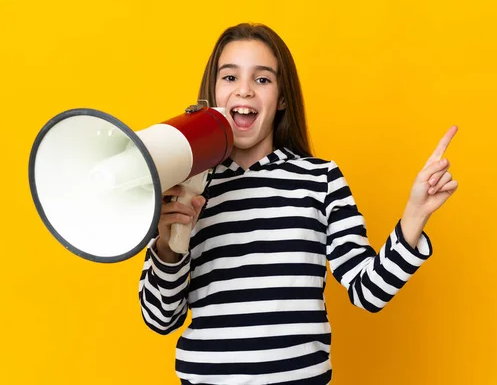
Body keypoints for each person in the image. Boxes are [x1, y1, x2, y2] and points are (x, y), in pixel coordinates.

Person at [138, 22, 458, 384]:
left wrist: (415, 215)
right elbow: (160, 318)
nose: (244, 90)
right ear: (213, 92)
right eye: (229, 77)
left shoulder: (321, 180)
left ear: (282, 97)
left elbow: (368, 291)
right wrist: (168, 245)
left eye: (262, 79)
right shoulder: (186, 183)